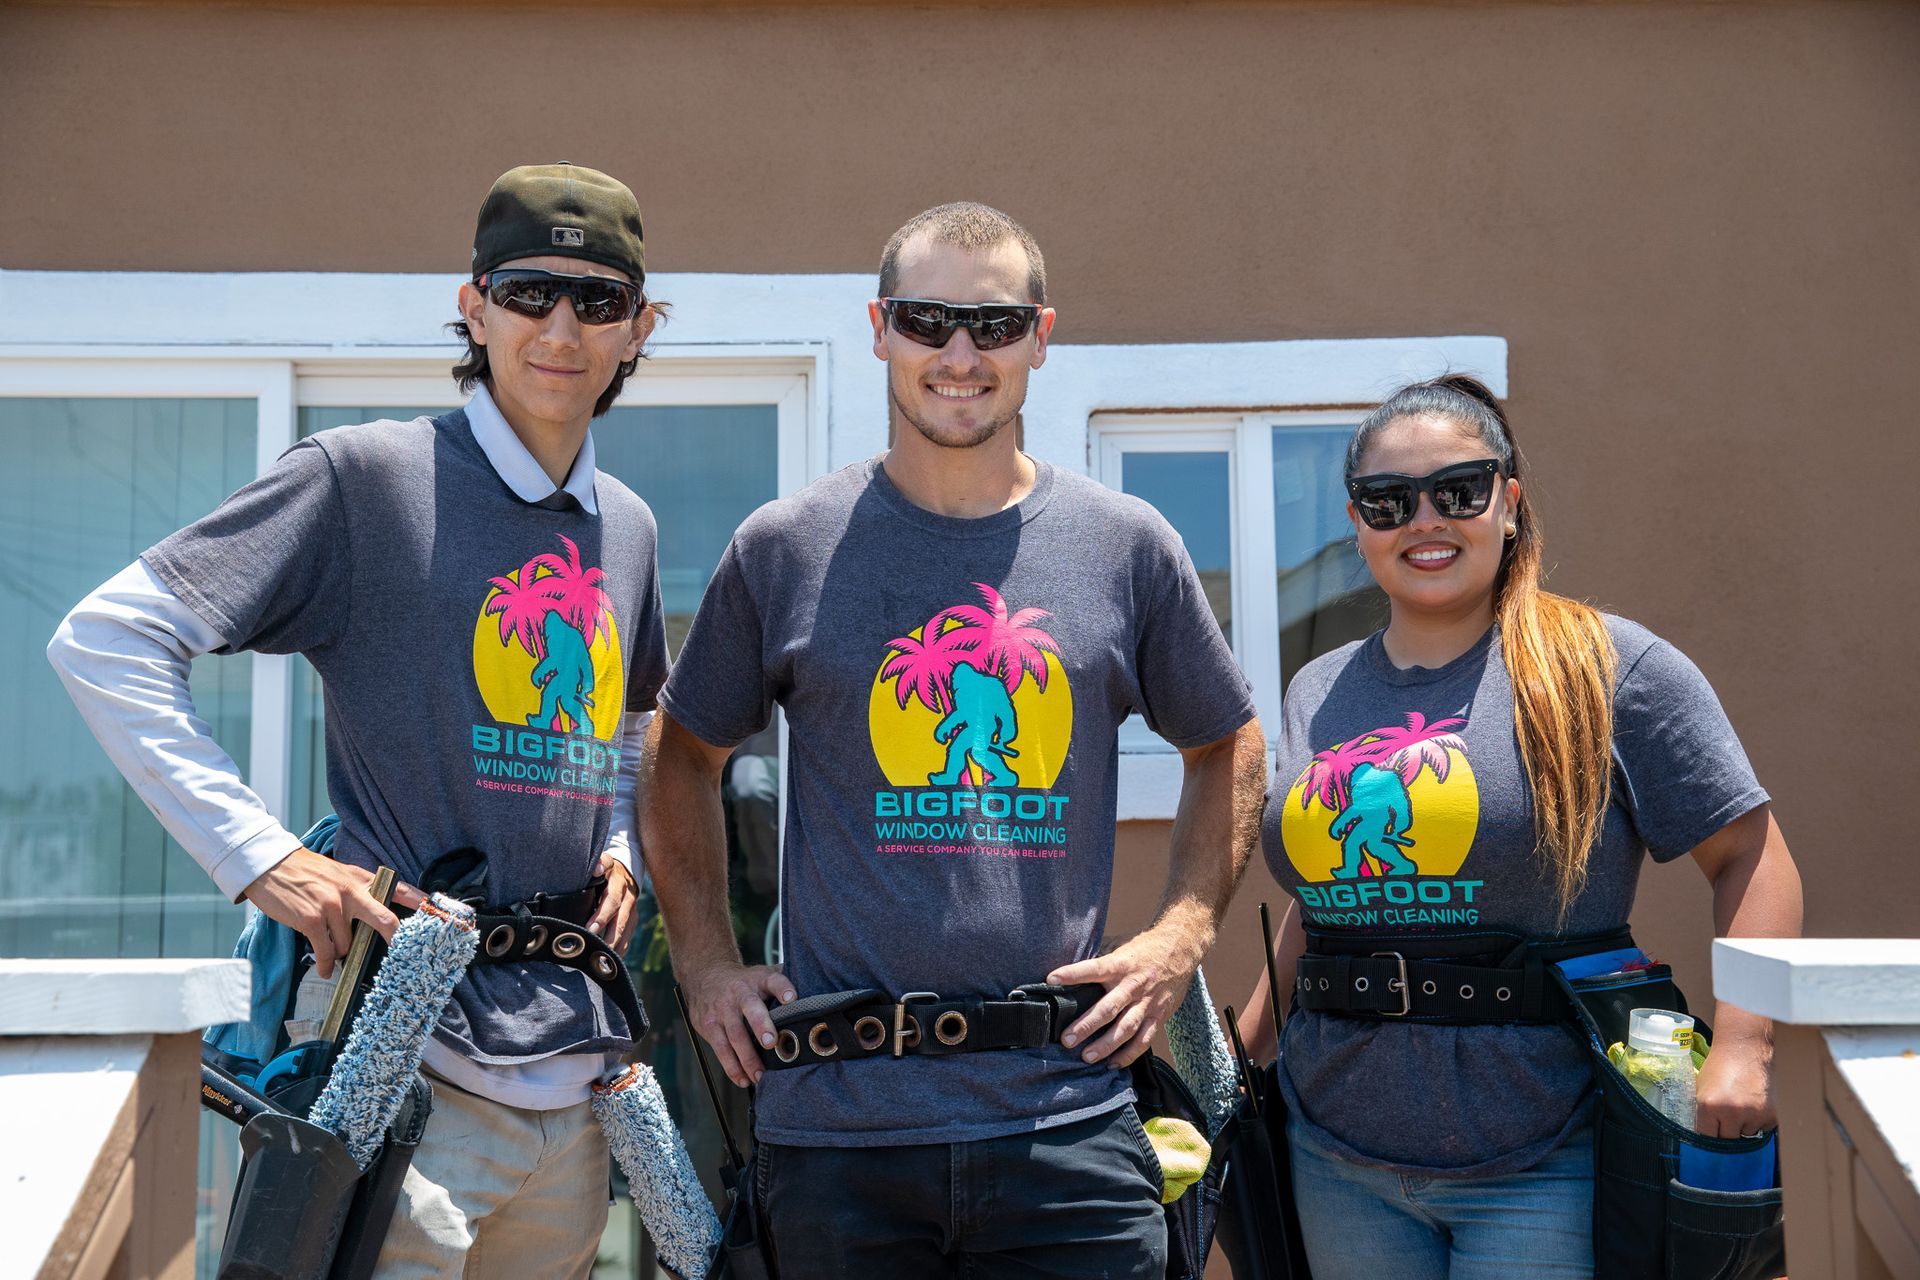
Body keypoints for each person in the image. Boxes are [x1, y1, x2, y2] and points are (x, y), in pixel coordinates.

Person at [47, 162, 671, 1278]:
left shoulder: (624, 524)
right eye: (530, 291)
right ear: (474, 305)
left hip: (575, 1093)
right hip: (405, 1077)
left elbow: (628, 720)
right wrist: (266, 858)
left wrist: (620, 836)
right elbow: (105, 640)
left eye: (599, 299)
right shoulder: (368, 476)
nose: (561, 326)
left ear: (640, 328)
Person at [641, 202, 1268, 1277]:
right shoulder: (787, 546)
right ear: (880, 329)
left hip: (1065, 1118)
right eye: (929, 320)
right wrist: (705, 962)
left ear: (1041, 334)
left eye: (995, 322)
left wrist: (1180, 934)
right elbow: (679, 755)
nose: (962, 354)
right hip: (840, 1127)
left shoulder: (1124, 548)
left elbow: (1231, 743)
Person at [1234, 374, 1804, 1279]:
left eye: (1458, 490)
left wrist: (1742, 1047)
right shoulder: (1319, 688)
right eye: (1389, 501)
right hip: (1334, 1148)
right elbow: (1333, 895)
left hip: (1547, 1151)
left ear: (1509, 501)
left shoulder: (1610, 667)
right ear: (1357, 523)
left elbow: (1751, 856)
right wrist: (1244, 1060)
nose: (1425, 520)